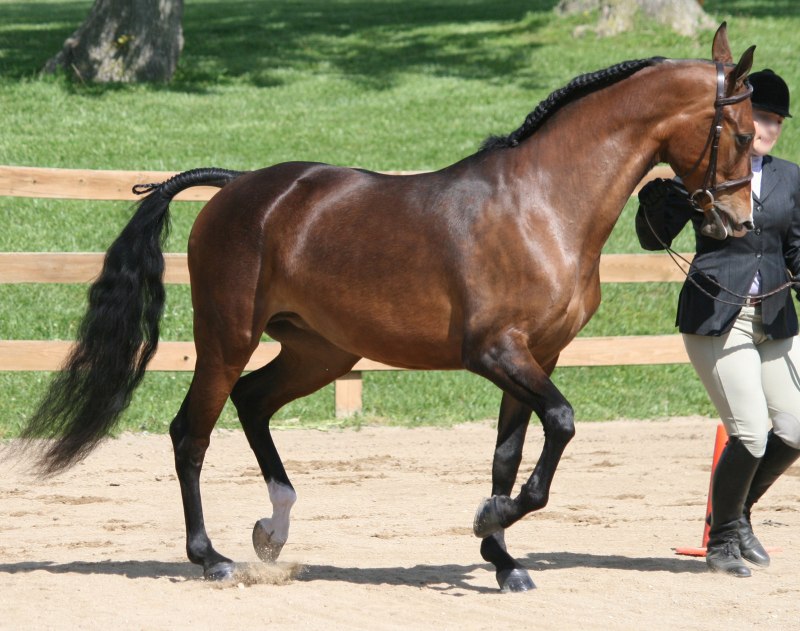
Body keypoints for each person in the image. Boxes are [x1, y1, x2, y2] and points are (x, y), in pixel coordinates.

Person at [635, 69, 800, 577]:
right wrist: (662, 201)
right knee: (749, 432)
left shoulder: (790, 177)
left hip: (774, 318)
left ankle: (737, 514)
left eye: (775, 120)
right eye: (760, 118)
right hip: (717, 315)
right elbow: (650, 237)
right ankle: (722, 540)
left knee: (794, 429)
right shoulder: (708, 172)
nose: (767, 128)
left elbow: (794, 250)